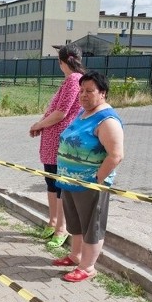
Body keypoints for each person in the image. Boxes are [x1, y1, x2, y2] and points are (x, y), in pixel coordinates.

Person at [52, 71, 124, 283]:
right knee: (76, 223)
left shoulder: (107, 120)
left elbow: (116, 155)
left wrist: (95, 181)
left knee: (92, 226)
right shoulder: (83, 113)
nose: (83, 95)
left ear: (103, 93)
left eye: (89, 91)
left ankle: (88, 267)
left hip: (89, 185)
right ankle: (76, 256)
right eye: (81, 90)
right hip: (70, 181)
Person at [29, 44, 85, 249]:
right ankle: (53, 221)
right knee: (52, 183)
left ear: (61, 62)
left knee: (60, 187)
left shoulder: (74, 80)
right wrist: (42, 126)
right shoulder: (71, 80)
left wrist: (38, 125)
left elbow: (61, 112)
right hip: (53, 140)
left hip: (61, 141)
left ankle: (61, 227)